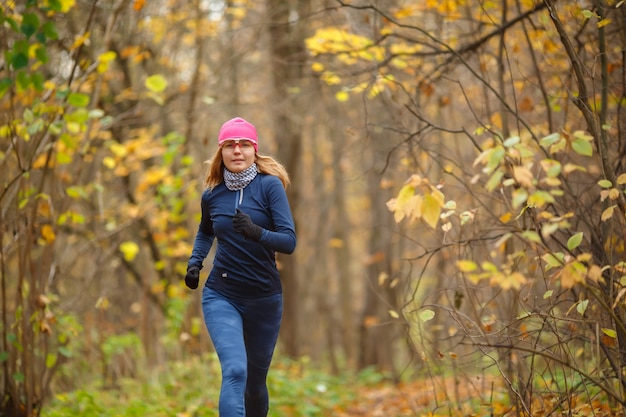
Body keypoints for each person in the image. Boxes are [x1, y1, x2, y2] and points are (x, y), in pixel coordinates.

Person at [184, 117, 296, 417]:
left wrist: (256, 232)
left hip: (264, 297)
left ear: (254, 150)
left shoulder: (270, 187)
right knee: (235, 370)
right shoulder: (212, 194)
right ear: (221, 152)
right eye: (230, 145)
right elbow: (206, 230)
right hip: (222, 294)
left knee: (255, 384)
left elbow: (288, 241)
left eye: (244, 144)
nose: (237, 151)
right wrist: (195, 263)